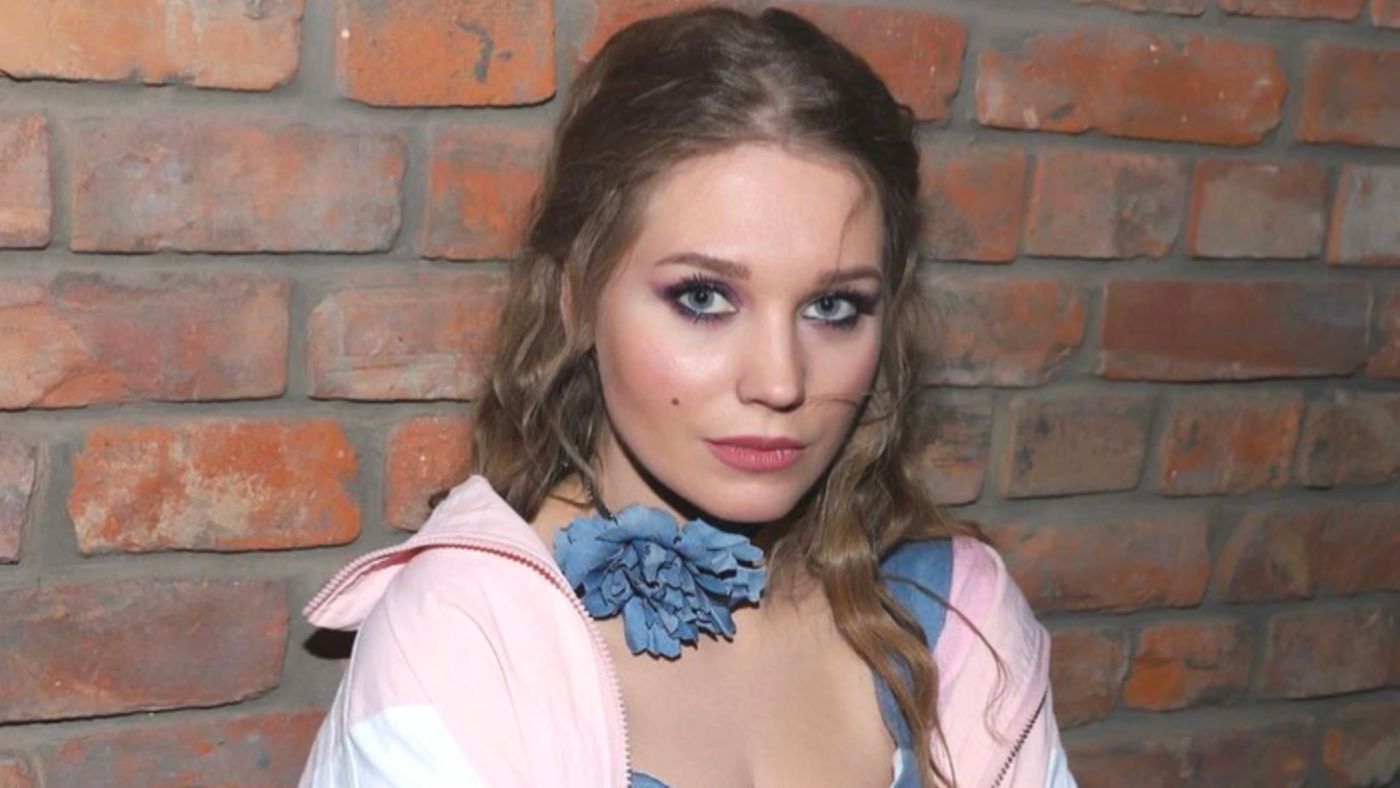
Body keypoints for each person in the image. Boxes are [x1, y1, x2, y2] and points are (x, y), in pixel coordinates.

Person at [298, 6, 1075, 787]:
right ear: (576, 298)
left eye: (833, 307)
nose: (780, 382)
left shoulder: (955, 617)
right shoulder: (466, 640)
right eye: (703, 298)